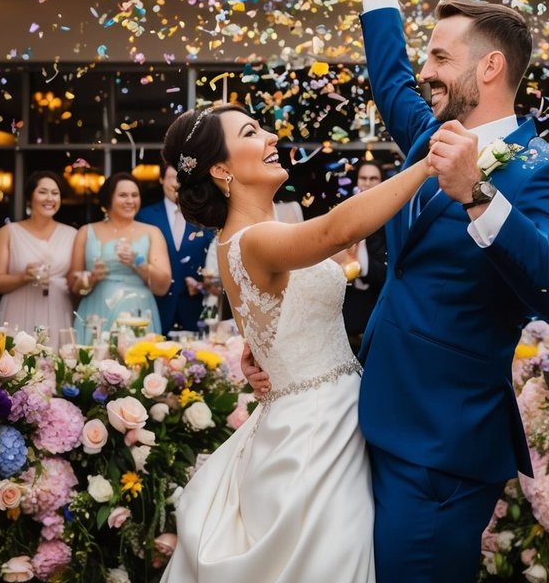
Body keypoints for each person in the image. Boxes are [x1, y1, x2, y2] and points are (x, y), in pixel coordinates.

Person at [340, 0, 549, 583]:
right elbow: (389, 75)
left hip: (443, 443)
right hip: (382, 415)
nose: (426, 72)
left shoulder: (545, 171)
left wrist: (479, 195)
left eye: (441, 58)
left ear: (491, 67)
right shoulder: (429, 137)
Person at [160, 104, 434, 582]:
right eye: (250, 131)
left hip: (325, 414)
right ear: (221, 169)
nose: (270, 136)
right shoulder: (252, 240)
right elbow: (337, 230)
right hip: (314, 434)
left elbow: (275, 318)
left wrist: (263, 349)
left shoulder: (246, 238)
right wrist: (427, 164)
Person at [70, 172, 171, 344]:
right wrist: (92, 278)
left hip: (137, 311)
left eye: (135, 195)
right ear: (108, 199)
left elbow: (162, 286)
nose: (130, 201)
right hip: (97, 309)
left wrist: (137, 262)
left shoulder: (152, 232)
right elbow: (73, 287)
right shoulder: (86, 232)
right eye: (123, 195)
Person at [0, 171, 77, 337]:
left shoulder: (72, 235)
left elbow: (76, 281)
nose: (50, 198)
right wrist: (23, 277)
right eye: (43, 192)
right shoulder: (8, 233)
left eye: (55, 193)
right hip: (18, 311)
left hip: (59, 311)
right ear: (29, 198)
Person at [136, 163, 213, 332]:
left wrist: (202, 284)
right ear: (161, 179)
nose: (177, 184)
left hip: (195, 306)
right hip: (157, 304)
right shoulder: (144, 216)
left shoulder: (203, 216)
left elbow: (213, 258)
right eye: (172, 178)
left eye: (182, 179)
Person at [338, 161, 389, 351]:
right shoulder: (344, 213)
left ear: (382, 181)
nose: (367, 183)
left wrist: (362, 263)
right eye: (363, 178)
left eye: (373, 178)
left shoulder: (390, 217)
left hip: (375, 308)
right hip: (346, 308)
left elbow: (390, 268)